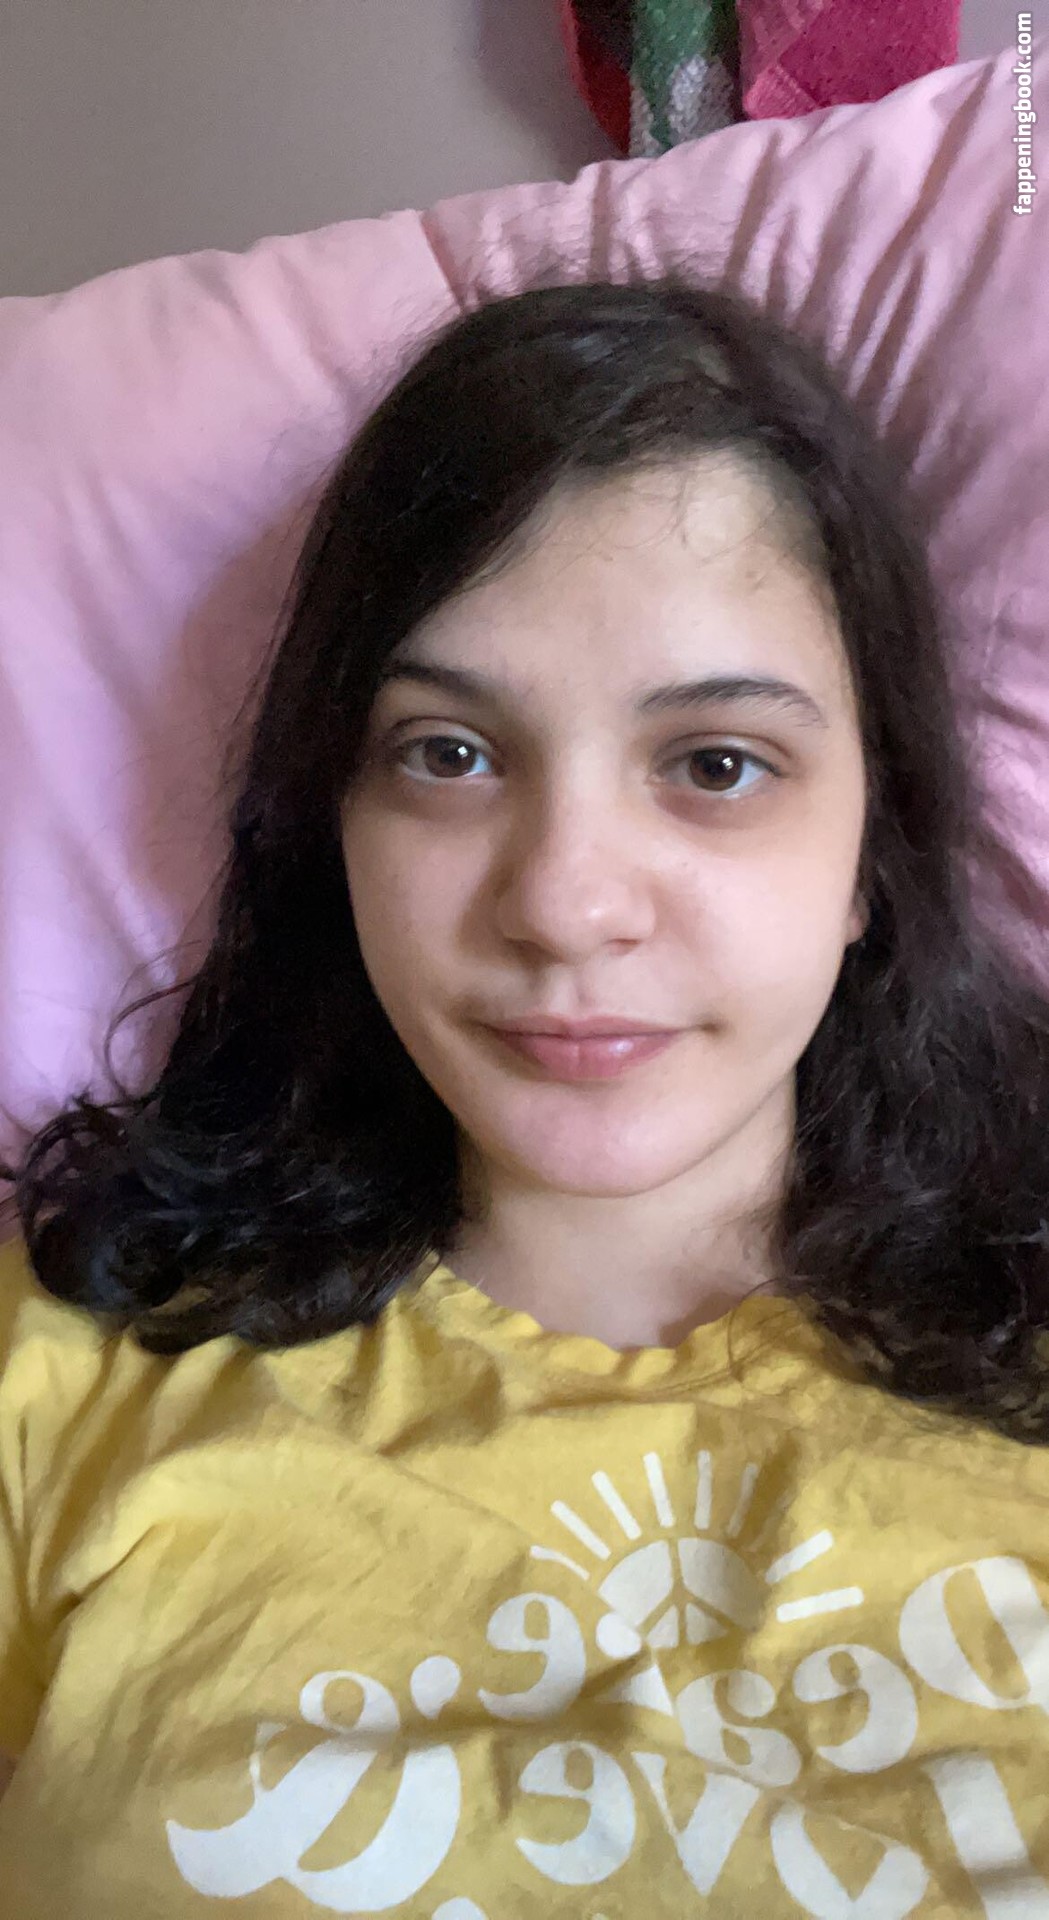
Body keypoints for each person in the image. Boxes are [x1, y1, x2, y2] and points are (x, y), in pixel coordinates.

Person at [0, 276, 1047, 1916]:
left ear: (873, 850)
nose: (562, 903)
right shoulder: (62, 1372)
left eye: (713, 765)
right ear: (331, 820)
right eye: (449, 753)